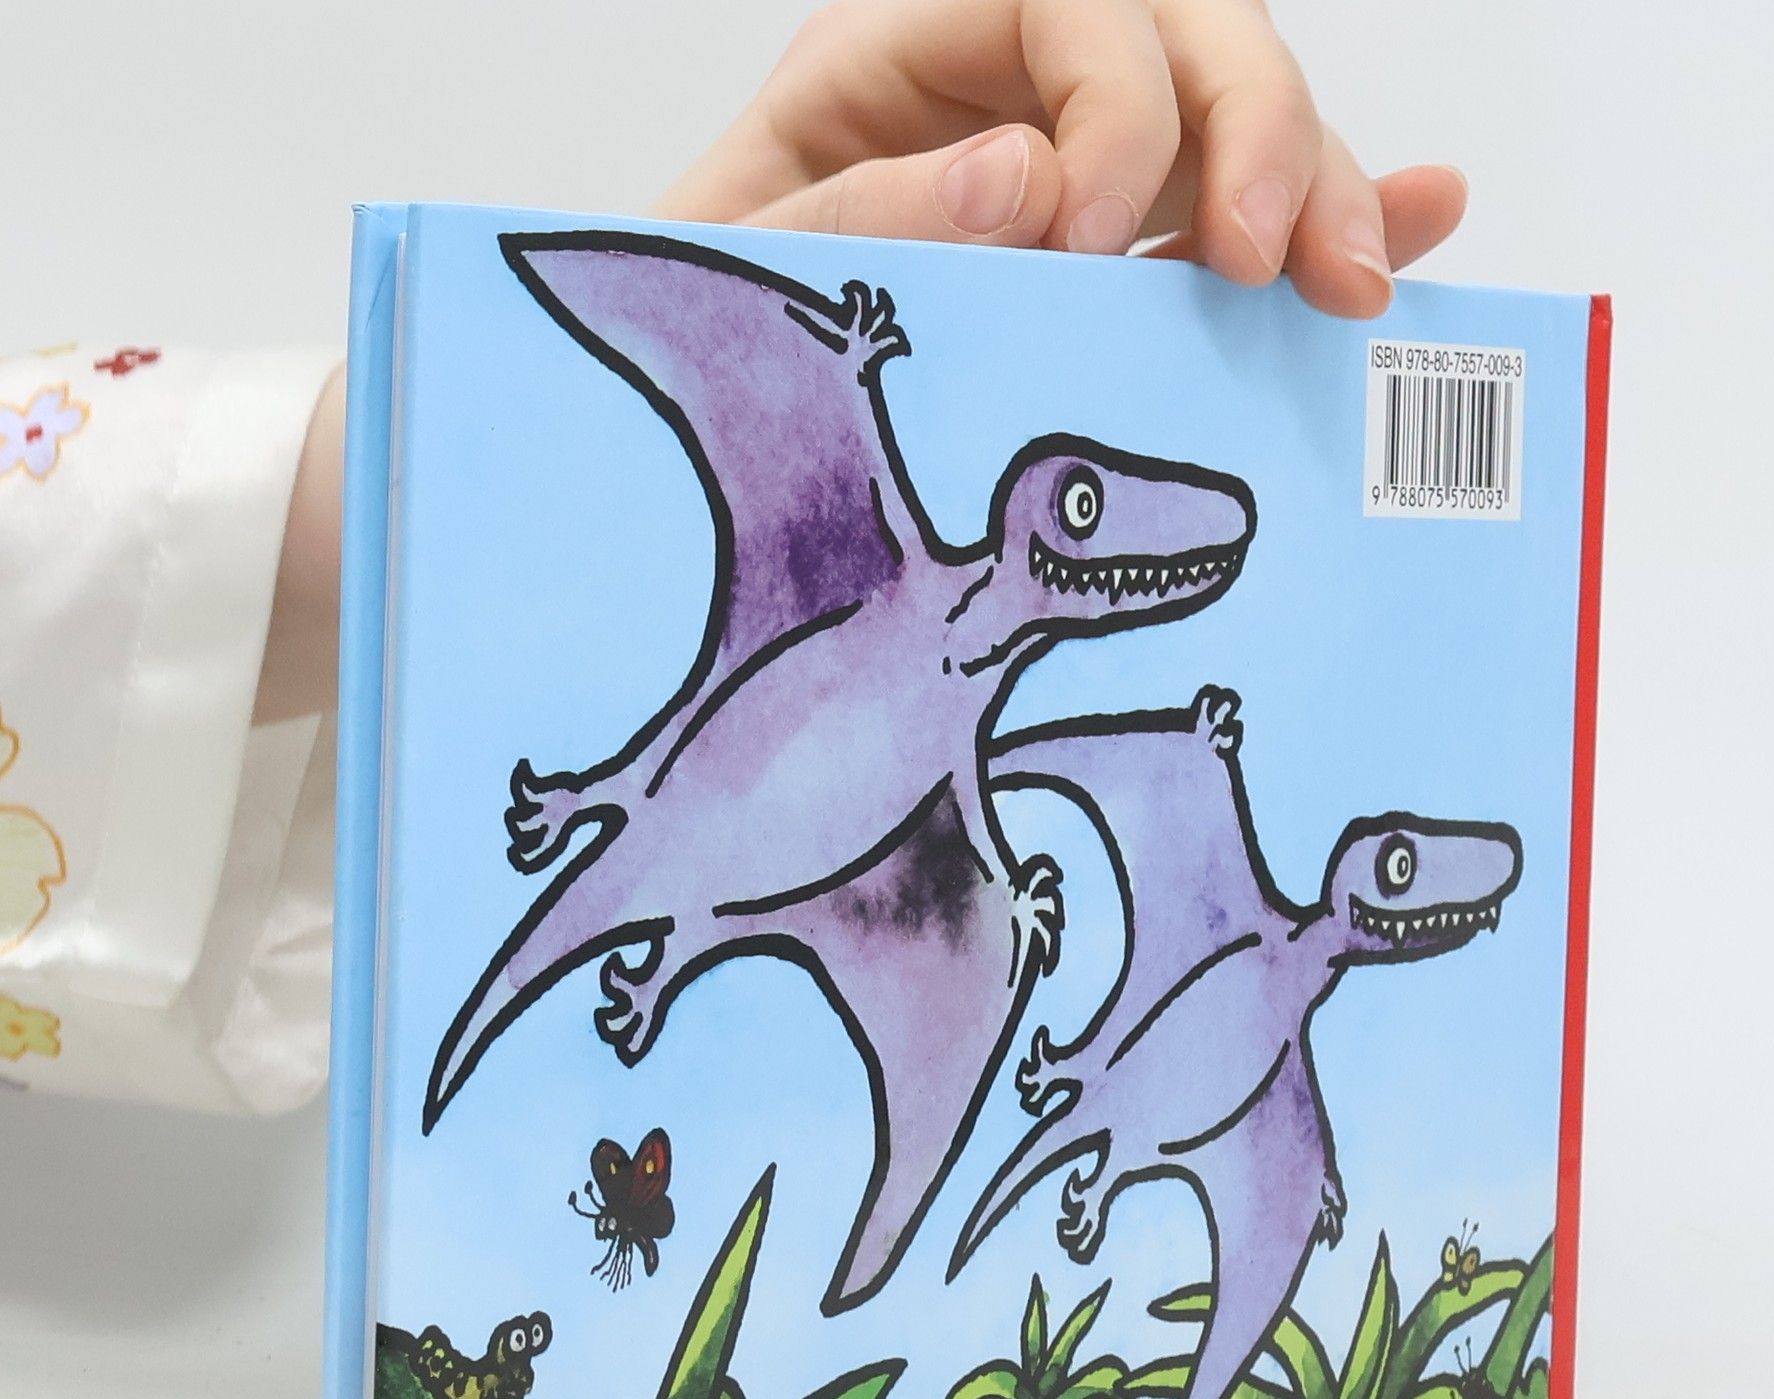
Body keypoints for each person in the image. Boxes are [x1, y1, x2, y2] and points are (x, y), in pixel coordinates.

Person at [0, 0, 1465, 1114]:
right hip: (647, 803)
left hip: (703, 862)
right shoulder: (861, 510)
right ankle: (612, 832)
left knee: (798, 908)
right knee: (661, 859)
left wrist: (483, 479)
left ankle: (648, 907)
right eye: (1076, 510)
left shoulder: (961, 783)